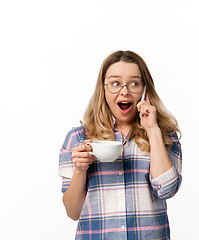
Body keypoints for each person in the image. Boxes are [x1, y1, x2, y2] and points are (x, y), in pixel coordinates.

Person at [58, 50, 182, 240]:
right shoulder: (77, 138)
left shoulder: (164, 135)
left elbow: (167, 190)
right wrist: (80, 170)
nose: (124, 91)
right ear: (104, 88)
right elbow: (73, 212)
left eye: (134, 83)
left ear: (145, 90)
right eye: (115, 83)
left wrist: (153, 131)